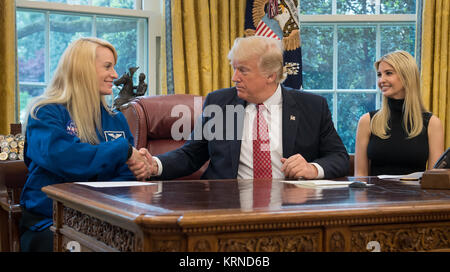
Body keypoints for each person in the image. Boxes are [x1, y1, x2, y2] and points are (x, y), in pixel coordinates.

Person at [129, 36, 349, 181]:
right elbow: (192, 155)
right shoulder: (220, 103)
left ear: (270, 75)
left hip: (291, 207)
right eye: (234, 69)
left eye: (243, 70)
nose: (234, 78)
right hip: (227, 206)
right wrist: (155, 165)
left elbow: (339, 157)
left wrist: (312, 169)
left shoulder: (312, 107)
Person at [19, 37, 150, 251]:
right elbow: (64, 158)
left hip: (106, 222)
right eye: (107, 67)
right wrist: (121, 151)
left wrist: (140, 167)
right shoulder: (45, 113)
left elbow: (126, 176)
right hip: (50, 223)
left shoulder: (115, 119)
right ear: (83, 70)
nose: (115, 75)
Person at [354, 50, 444, 176]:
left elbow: (435, 179)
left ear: (407, 77)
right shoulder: (367, 121)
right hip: (375, 195)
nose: (381, 80)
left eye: (388, 73)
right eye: (379, 75)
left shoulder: (432, 123)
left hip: (417, 196)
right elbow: (360, 177)